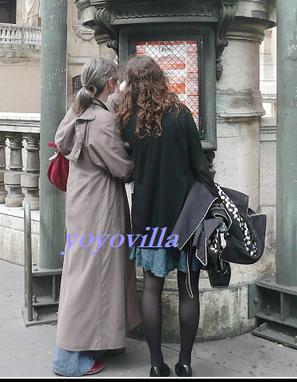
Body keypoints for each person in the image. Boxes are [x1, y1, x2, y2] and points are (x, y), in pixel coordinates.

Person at [115, 54, 219, 378]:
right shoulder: (181, 113)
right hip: (186, 215)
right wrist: (212, 201)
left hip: (148, 215)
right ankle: (185, 363)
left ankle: (156, 364)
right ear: (159, 78)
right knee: (190, 288)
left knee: (151, 287)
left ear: (131, 84)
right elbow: (200, 167)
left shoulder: (128, 121)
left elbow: (127, 168)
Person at [51, 56, 141, 377]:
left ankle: (101, 341)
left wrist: (119, 94)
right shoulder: (102, 122)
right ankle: (68, 359)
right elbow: (123, 168)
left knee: (88, 275)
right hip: (100, 209)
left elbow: (64, 139)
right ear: (110, 83)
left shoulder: (78, 110)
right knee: (92, 279)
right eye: (116, 81)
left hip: (80, 205)